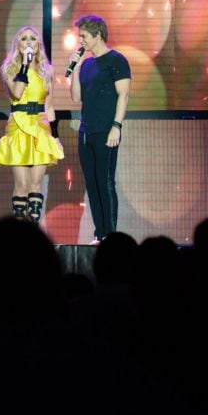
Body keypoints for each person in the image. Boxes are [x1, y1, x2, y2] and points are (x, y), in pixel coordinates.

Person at [0, 25, 64, 224]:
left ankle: (33, 227)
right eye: (24, 38)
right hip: (18, 126)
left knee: (36, 182)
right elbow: (16, 92)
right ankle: (19, 229)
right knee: (22, 183)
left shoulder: (47, 71)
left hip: (40, 127)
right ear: (18, 44)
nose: (29, 42)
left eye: (33, 38)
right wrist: (24, 64)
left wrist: (55, 137)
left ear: (38, 44)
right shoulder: (10, 68)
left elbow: (49, 107)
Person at [68, 14, 130, 244]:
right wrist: (74, 69)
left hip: (106, 130)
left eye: (83, 36)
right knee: (92, 184)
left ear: (97, 35)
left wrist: (116, 126)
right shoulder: (86, 64)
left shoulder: (117, 60)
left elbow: (124, 94)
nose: (80, 40)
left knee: (105, 183)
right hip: (86, 132)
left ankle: (111, 237)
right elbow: (76, 98)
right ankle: (99, 233)